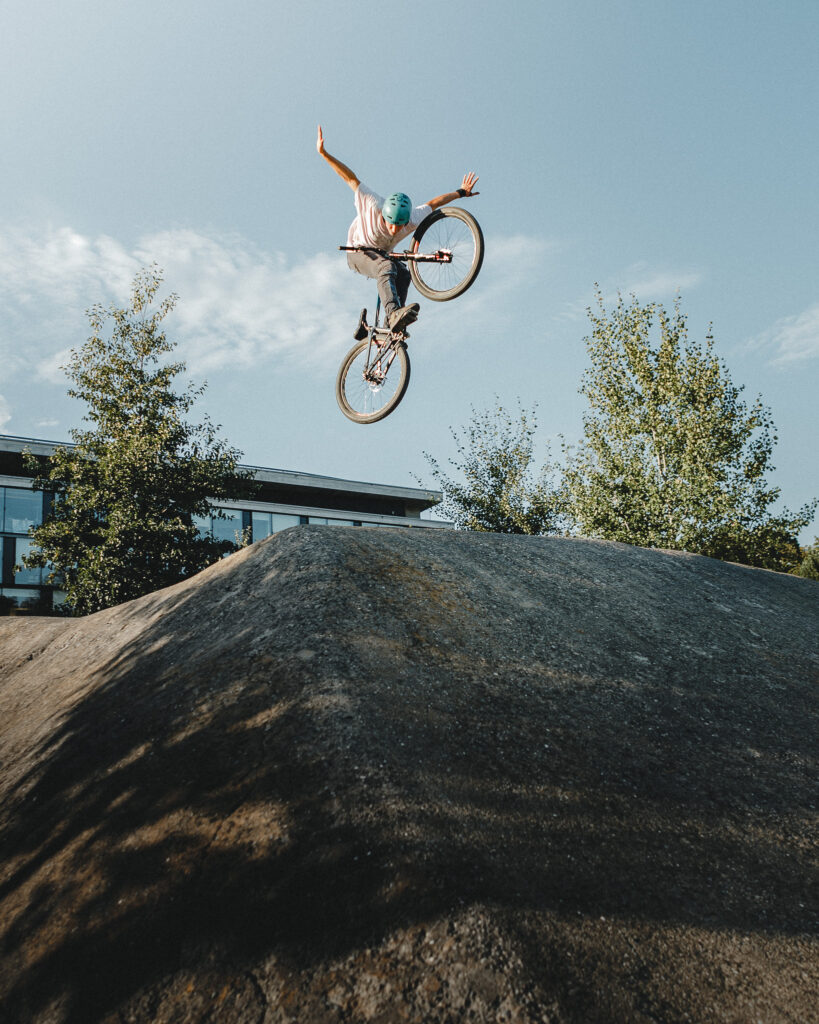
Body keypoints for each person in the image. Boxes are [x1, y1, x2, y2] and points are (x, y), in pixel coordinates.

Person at [316, 125, 479, 335]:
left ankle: (391, 325)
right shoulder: (372, 203)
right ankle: (394, 313)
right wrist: (324, 153)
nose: (394, 230)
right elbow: (349, 178)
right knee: (386, 267)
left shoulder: (411, 219)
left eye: (399, 225)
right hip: (356, 252)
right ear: (384, 214)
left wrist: (461, 192)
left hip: (380, 255)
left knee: (404, 273)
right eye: (390, 223)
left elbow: (434, 203)